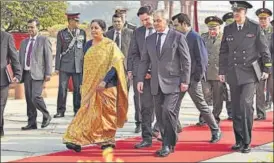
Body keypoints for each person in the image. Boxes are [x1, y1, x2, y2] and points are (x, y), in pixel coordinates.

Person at [63, 19, 128, 152]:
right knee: (85, 114)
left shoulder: (110, 45)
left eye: (96, 28)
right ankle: (75, 139)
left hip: (107, 85)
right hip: (89, 86)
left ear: (103, 30)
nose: (93, 30)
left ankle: (107, 140)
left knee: (107, 114)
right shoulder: (87, 45)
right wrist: (83, 84)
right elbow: (85, 66)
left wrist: (104, 81)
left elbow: (116, 66)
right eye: (91, 28)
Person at [137, 9, 191, 157]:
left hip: (174, 82)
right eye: (154, 21)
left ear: (166, 21)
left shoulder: (177, 37)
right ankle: (168, 142)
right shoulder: (150, 39)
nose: (155, 23)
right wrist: (140, 79)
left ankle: (168, 144)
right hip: (155, 83)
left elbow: (186, 60)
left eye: (158, 20)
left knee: (168, 110)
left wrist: (185, 80)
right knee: (160, 115)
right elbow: (144, 61)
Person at [219, 1, 271, 153]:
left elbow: (264, 49)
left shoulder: (254, 27)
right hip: (233, 73)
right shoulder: (228, 28)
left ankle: (247, 141)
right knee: (235, 108)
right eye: (234, 10)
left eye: (239, 10)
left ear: (245, 12)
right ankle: (239, 140)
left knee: (245, 105)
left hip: (249, 73)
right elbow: (223, 51)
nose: (236, 13)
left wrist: (267, 68)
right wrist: (222, 71)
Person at [172, 13, 222, 142]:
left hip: (193, 80)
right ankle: (175, 129)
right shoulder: (178, 36)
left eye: (176, 25)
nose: (174, 27)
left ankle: (215, 130)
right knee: (172, 106)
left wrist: (195, 79)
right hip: (180, 79)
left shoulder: (195, 37)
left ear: (184, 24)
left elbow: (202, 60)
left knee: (202, 106)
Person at [19, 19, 52, 130]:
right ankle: (32, 123)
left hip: (39, 74)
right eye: (28, 27)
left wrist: (48, 73)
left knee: (35, 97)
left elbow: (48, 57)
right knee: (29, 99)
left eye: (32, 27)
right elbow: (20, 58)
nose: (30, 29)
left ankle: (46, 114)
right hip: (26, 73)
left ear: (37, 27)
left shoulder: (43, 40)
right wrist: (18, 73)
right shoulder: (24, 42)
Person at [127, 6, 155, 135]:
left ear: (152, 15)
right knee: (140, 100)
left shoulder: (161, 31)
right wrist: (133, 69)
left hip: (158, 73)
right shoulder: (138, 32)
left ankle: (157, 126)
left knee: (157, 101)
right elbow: (133, 53)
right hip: (141, 71)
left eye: (147, 19)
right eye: (142, 20)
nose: (145, 23)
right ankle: (141, 124)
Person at [54, 13, 86, 118]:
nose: (78, 23)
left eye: (78, 21)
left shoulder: (82, 32)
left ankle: (77, 110)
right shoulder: (62, 34)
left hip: (78, 65)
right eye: (76, 21)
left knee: (78, 89)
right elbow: (58, 51)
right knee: (62, 88)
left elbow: (84, 50)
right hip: (65, 65)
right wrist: (57, 67)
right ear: (70, 21)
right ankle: (60, 110)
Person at [200, 16, 232, 124]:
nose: (212, 31)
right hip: (205, 73)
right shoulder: (203, 38)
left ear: (219, 28)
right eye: (210, 29)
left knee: (218, 97)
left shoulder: (225, 38)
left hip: (218, 73)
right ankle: (203, 118)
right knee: (204, 95)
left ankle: (215, 117)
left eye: (214, 29)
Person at [0, 31, 22, 137]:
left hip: (2, 79)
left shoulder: (7, 37)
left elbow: (14, 57)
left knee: (1, 105)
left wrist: (17, 74)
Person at [105, 13, 133, 89]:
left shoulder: (131, 33)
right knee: (111, 90)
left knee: (124, 91)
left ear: (123, 22)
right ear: (112, 22)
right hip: (111, 66)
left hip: (125, 66)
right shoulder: (107, 34)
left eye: (118, 21)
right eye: (114, 21)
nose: (117, 23)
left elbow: (133, 51)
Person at [255, 8, 273, 120]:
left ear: (269, 18)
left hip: (272, 66)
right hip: (258, 66)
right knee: (259, 91)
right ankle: (261, 114)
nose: (263, 21)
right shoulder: (255, 31)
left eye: (265, 18)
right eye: (261, 19)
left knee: (272, 90)